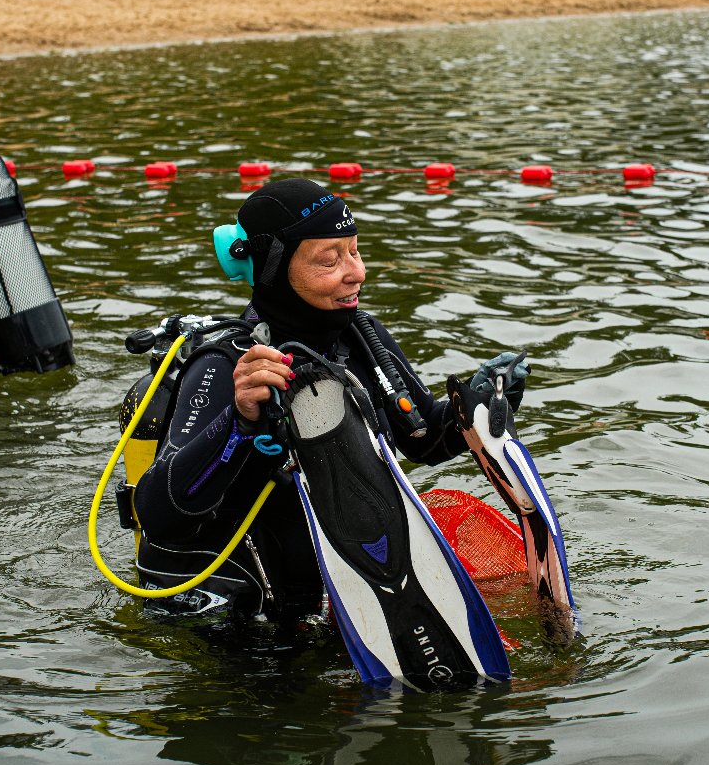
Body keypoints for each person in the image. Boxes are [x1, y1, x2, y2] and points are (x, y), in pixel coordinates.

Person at [129, 178, 529, 628]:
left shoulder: (362, 336)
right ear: (273, 267)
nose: (355, 272)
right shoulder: (228, 365)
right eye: (329, 259)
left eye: (355, 251)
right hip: (249, 622)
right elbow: (159, 513)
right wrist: (239, 422)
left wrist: (471, 406)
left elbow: (421, 439)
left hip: (348, 595)